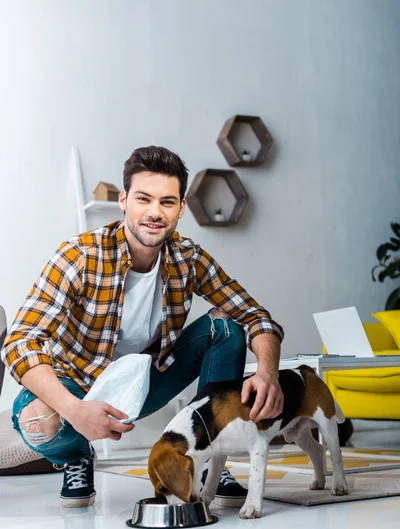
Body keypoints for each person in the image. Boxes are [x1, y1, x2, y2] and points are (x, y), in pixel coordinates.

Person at [1, 146, 284, 508]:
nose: (154, 212)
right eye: (143, 199)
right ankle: (77, 457)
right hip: (80, 384)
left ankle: (210, 455)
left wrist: (267, 371)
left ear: (181, 208)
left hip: (146, 381)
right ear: (123, 200)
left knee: (225, 326)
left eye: (167, 202)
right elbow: (21, 340)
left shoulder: (188, 258)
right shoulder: (80, 255)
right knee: (36, 419)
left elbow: (255, 316)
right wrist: (75, 410)